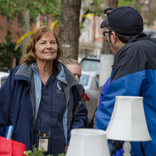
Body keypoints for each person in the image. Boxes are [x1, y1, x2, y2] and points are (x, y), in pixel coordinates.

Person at [0, 25, 88, 156]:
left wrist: (72, 141)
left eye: (53, 42)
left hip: (58, 151)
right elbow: (2, 111)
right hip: (23, 149)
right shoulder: (18, 77)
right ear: (33, 48)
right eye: (43, 43)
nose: (49, 46)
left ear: (57, 48)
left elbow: (80, 115)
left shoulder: (69, 81)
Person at [95, 6, 156, 156]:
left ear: (113, 36)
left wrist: (95, 148)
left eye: (106, 33)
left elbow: (114, 107)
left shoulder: (133, 54)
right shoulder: (150, 48)